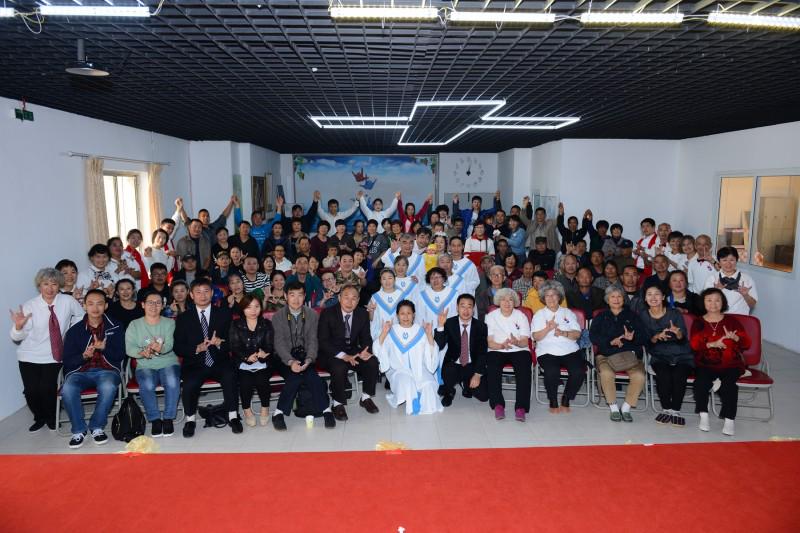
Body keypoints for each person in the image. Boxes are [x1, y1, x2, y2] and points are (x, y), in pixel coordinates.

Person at [10, 268, 85, 432]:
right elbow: (16, 337)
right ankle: (39, 417)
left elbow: (80, 316)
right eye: (45, 284)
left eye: (54, 284)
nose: (50, 288)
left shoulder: (68, 301)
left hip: (55, 354)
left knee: (48, 388)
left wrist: (69, 332)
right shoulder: (30, 305)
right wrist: (18, 326)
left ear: (59, 285)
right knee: (31, 391)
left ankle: (51, 417)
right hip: (29, 354)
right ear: (39, 286)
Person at [173, 279, 241, 437]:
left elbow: (233, 342)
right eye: (198, 292)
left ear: (212, 293)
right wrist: (196, 349)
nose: (202, 295)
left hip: (219, 360)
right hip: (195, 363)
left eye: (206, 291)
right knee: (189, 384)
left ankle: (233, 416)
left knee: (230, 376)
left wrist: (219, 343)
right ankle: (190, 420)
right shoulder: (184, 318)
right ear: (191, 295)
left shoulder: (224, 314)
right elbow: (178, 347)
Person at [60, 289, 125, 448]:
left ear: (106, 305)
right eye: (90, 303)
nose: (95, 308)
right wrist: (83, 356)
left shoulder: (116, 326)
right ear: (84, 306)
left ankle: (96, 427)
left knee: (108, 386)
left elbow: (120, 355)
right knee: (67, 389)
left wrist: (104, 349)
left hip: (107, 371)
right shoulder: (74, 331)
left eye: (99, 303)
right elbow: (67, 361)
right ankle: (78, 430)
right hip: (80, 372)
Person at [270, 281, 335, 430]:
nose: (296, 299)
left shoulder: (312, 314)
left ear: (305, 296)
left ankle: (326, 410)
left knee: (313, 377)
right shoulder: (278, 316)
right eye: (292, 295)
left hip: (305, 356)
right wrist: (290, 361)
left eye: (300, 295)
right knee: (295, 377)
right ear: (286, 296)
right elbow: (279, 344)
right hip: (283, 358)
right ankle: (279, 413)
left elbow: (313, 340)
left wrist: (309, 359)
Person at [690, 288, 751, 437]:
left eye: (717, 300)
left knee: (730, 386)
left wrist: (736, 338)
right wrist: (712, 344)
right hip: (706, 363)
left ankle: (729, 419)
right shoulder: (698, 322)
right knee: (700, 384)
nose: (713, 303)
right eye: (709, 300)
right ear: (703, 303)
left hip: (731, 363)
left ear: (722, 302)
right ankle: (704, 415)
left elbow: (747, 343)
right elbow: (694, 345)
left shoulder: (732, 321)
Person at [318, 285, 380, 420]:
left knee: (372, 361)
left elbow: (366, 338)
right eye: (346, 297)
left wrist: (366, 351)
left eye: (354, 299)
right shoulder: (327, 313)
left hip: (351, 350)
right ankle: (337, 403)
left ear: (358, 301)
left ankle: (365, 398)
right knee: (339, 367)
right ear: (339, 298)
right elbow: (323, 341)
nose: (349, 302)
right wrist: (343, 356)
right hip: (331, 352)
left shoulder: (362, 314)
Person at [125, 291, 180, 437]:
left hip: (168, 361)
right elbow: (129, 347)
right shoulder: (134, 325)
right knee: (147, 385)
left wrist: (160, 348)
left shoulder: (169, 323)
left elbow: (170, 344)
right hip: (145, 364)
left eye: (158, 303)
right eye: (150, 302)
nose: (154, 306)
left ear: (162, 306)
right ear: (143, 305)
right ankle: (155, 419)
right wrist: (141, 353)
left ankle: (168, 418)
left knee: (173, 381)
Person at [589, 286, 647, 422]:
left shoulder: (633, 316)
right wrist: (610, 342)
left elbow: (643, 337)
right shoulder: (601, 316)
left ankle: (626, 407)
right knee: (606, 374)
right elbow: (593, 337)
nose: (616, 299)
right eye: (612, 297)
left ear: (624, 299)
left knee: (639, 376)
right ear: (607, 300)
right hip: (606, 355)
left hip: (630, 355)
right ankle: (613, 407)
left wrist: (632, 338)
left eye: (619, 296)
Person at [639, 285, 693, 426]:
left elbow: (683, 339)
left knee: (679, 375)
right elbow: (646, 342)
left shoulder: (674, 314)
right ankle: (666, 409)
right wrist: (656, 336)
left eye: (657, 294)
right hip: (659, 354)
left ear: (663, 297)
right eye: (649, 294)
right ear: (645, 298)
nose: (653, 297)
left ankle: (675, 410)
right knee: (664, 375)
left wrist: (678, 333)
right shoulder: (643, 315)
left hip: (682, 354)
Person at [374, 300, 442, 415]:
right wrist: (384, 333)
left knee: (429, 385)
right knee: (406, 384)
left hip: (420, 368)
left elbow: (431, 350)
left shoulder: (420, 330)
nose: (406, 316)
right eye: (402, 313)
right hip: (399, 370)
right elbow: (378, 348)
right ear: (397, 315)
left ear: (414, 314)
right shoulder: (391, 331)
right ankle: (413, 401)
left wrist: (429, 335)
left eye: (409, 313)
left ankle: (422, 399)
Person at [532, 281, 584, 413]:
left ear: (559, 296)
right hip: (547, 350)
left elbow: (577, 334)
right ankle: (553, 400)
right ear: (543, 298)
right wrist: (547, 328)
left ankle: (567, 397)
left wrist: (563, 333)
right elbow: (536, 337)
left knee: (578, 372)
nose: (551, 298)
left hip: (569, 349)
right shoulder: (539, 314)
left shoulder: (568, 313)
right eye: (547, 296)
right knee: (552, 371)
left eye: (554, 295)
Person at [484, 289, 532, 421]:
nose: (507, 302)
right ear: (498, 301)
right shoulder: (491, 316)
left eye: (510, 299)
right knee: (492, 366)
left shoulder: (521, 316)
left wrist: (516, 342)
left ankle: (521, 408)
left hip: (519, 349)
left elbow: (524, 342)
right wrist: (501, 346)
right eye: (503, 299)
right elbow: (489, 342)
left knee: (524, 367)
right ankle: (498, 405)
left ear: (515, 302)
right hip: (497, 349)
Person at [229, 295, 276, 428]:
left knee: (262, 380)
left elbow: (269, 345)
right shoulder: (236, 324)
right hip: (242, 362)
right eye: (249, 307)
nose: (253, 310)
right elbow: (234, 346)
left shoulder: (266, 323)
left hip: (262, 362)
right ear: (243, 309)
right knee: (246, 381)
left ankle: (265, 408)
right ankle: (247, 410)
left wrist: (263, 353)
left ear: (261, 308)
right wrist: (246, 357)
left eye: (256, 306)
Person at [434, 293, 489, 407]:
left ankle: (465, 383)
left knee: (484, 396)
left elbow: (482, 352)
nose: (466, 310)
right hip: (453, 364)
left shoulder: (481, 326)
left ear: (473, 309)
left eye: (469, 306)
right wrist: (440, 326)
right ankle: (450, 391)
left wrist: (478, 374)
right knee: (448, 373)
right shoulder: (449, 323)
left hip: (471, 365)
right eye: (462, 306)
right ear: (457, 308)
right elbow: (439, 345)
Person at [703, 246, 757, 315]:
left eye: (732, 260)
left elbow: (752, 305)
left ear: (736, 260)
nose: (728, 263)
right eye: (724, 260)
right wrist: (716, 291)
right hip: (718, 317)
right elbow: (705, 304)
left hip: (739, 319)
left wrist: (746, 295)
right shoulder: (712, 279)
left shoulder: (746, 279)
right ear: (719, 261)